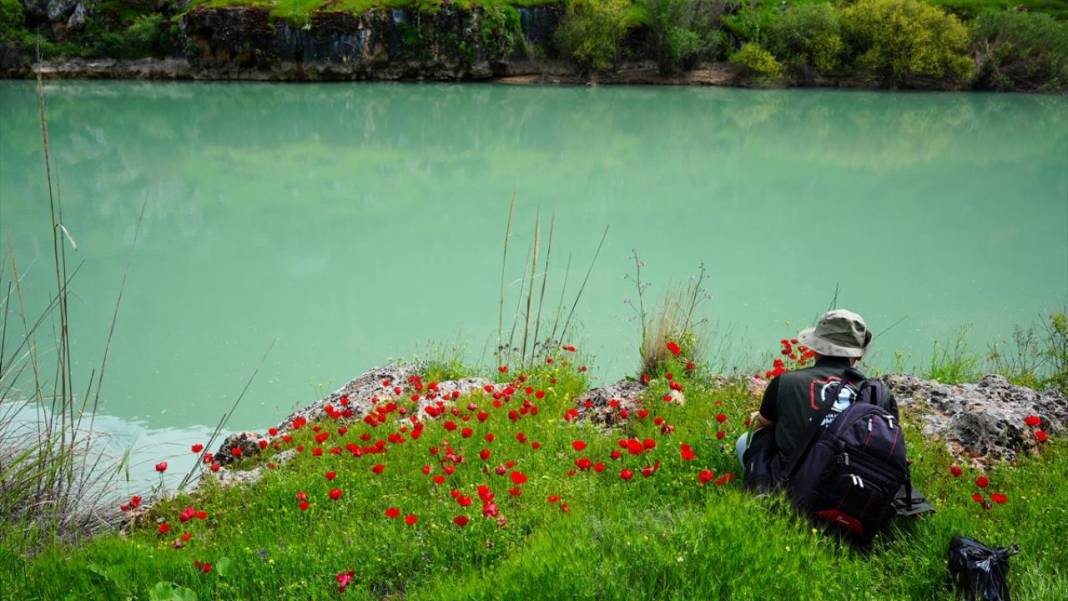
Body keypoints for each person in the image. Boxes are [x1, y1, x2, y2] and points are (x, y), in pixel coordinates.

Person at [736, 309, 874, 478]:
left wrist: (758, 418)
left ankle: (765, 492)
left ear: (816, 348)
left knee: (746, 440)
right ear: (858, 355)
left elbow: (762, 426)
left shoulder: (786, 382)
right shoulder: (876, 392)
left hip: (796, 485)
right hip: (857, 488)